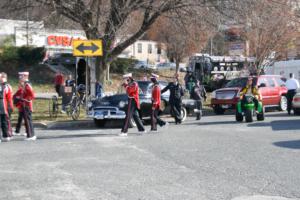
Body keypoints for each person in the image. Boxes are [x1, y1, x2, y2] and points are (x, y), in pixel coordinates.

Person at [15, 72, 36, 141]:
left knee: (28, 121)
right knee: (28, 121)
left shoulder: (27, 85)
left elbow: (32, 95)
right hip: (25, 105)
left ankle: (30, 135)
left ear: (25, 76)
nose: (20, 78)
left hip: (26, 105)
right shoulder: (25, 85)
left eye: (21, 76)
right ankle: (30, 135)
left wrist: (24, 99)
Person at [0, 73, 13, 142]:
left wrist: (9, 107)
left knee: (6, 121)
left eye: (1, 77)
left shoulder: (6, 86)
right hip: (3, 106)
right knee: (3, 122)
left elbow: (8, 98)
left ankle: (7, 135)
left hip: (6, 106)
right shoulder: (2, 86)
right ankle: (5, 135)